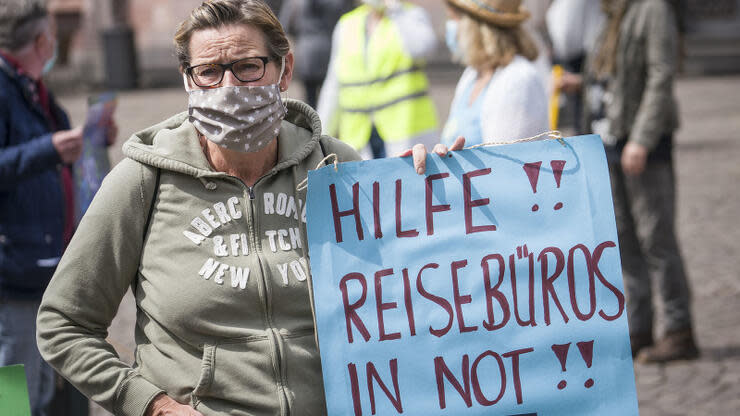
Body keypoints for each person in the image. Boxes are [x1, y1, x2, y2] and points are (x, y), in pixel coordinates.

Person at [35, 1, 458, 415]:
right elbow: (63, 324)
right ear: (188, 81)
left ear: (284, 70)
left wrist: (441, 195)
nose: (228, 87)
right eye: (208, 72)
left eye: (248, 67)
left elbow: (415, 290)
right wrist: (154, 406)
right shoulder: (143, 181)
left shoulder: (337, 166)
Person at [578, 0, 697, 362]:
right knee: (624, 239)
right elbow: (609, 73)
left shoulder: (652, 8)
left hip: (642, 145)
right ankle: (638, 327)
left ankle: (679, 330)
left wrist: (642, 139)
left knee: (656, 238)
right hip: (610, 140)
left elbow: (661, 75)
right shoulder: (614, 10)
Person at [0, 1, 87, 415]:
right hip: (11, 267)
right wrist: (47, 149)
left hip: (41, 260)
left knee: (40, 385)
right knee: (13, 384)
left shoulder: (31, 86)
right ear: (39, 40)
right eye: (51, 35)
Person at [317, 0, 439, 159]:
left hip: (404, 132)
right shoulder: (347, 24)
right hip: (359, 135)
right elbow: (333, 85)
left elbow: (421, 49)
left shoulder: (410, 15)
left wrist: (395, 10)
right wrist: (319, 138)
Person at [441, 0, 549, 147]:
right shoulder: (472, 74)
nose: (450, 27)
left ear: (475, 25)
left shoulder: (518, 80)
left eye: (454, 19)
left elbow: (504, 163)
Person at [279, 0, 354, 108]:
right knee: (329, 96)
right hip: (328, 50)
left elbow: (285, 25)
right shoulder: (334, 3)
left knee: (310, 98)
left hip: (306, 52)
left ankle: (314, 122)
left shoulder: (296, 3)